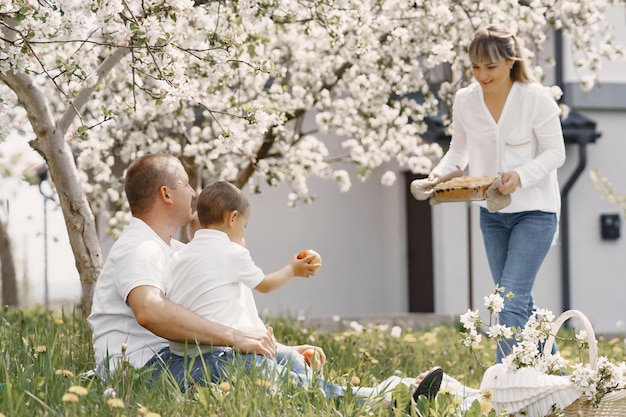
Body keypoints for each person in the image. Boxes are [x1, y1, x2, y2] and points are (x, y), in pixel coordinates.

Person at [165, 180, 478, 409]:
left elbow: (217, 310)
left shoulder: (181, 256)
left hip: (187, 361)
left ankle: (370, 393)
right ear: (233, 219)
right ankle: (381, 398)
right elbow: (265, 285)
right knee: (296, 381)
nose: (244, 234)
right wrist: (292, 269)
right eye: (244, 226)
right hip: (223, 358)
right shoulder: (232, 253)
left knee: (292, 360)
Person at [428, 24, 566, 362]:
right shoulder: (465, 100)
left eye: (490, 67)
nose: (481, 75)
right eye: (475, 67)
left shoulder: (535, 98)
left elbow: (556, 153)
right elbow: (458, 152)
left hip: (536, 213)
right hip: (492, 216)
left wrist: (519, 176)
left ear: (510, 61)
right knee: (520, 302)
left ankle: (507, 390)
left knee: (509, 302)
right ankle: (562, 384)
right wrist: (438, 174)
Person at [87, 154, 276, 381]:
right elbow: (150, 310)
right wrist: (236, 337)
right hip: (141, 368)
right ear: (166, 194)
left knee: (285, 359)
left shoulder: (174, 251)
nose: (194, 193)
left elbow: (207, 314)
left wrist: (273, 346)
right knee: (252, 367)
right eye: (185, 184)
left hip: (175, 357)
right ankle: (328, 398)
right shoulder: (139, 247)